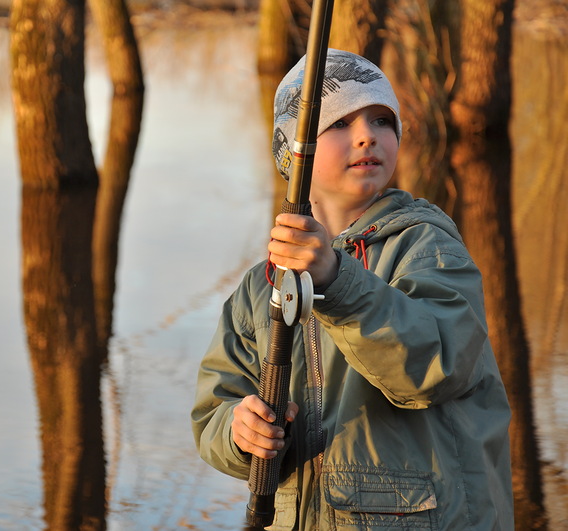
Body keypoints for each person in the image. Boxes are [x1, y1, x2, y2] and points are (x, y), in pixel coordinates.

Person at [191, 49, 514, 530]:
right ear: (293, 154)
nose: (367, 135)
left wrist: (336, 279)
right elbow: (215, 410)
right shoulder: (260, 287)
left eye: (382, 120)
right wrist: (242, 432)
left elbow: (438, 364)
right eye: (338, 123)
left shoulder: (428, 247)